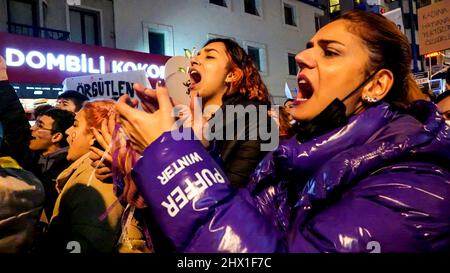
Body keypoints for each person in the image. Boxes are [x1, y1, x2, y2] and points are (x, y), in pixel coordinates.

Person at [116, 10, 450, 252]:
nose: (302, 57)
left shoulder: (416, 181)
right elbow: (202, 236)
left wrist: (172, 158)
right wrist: (149, 171)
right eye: (309, 46)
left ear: (376, 84)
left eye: (329, 52)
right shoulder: (290, 160)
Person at [133, 38, 273, 188]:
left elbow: (229, 202)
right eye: (196, 56)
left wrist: (186, 148)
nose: (193, 60)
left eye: (210, 56)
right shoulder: (182, 119)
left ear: (231, 75)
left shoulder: (256, 122)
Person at [44, 100, 123, 253]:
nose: (67, 131)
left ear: (95, 135)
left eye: (75, 124)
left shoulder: (94, 181)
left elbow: (88, 241)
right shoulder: (91, 172)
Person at [29, 108, 74, 222]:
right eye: (35, 123)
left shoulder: (69, 167)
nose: (32, 129)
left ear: (56, 137)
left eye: (39, 126)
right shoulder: (30, 159)